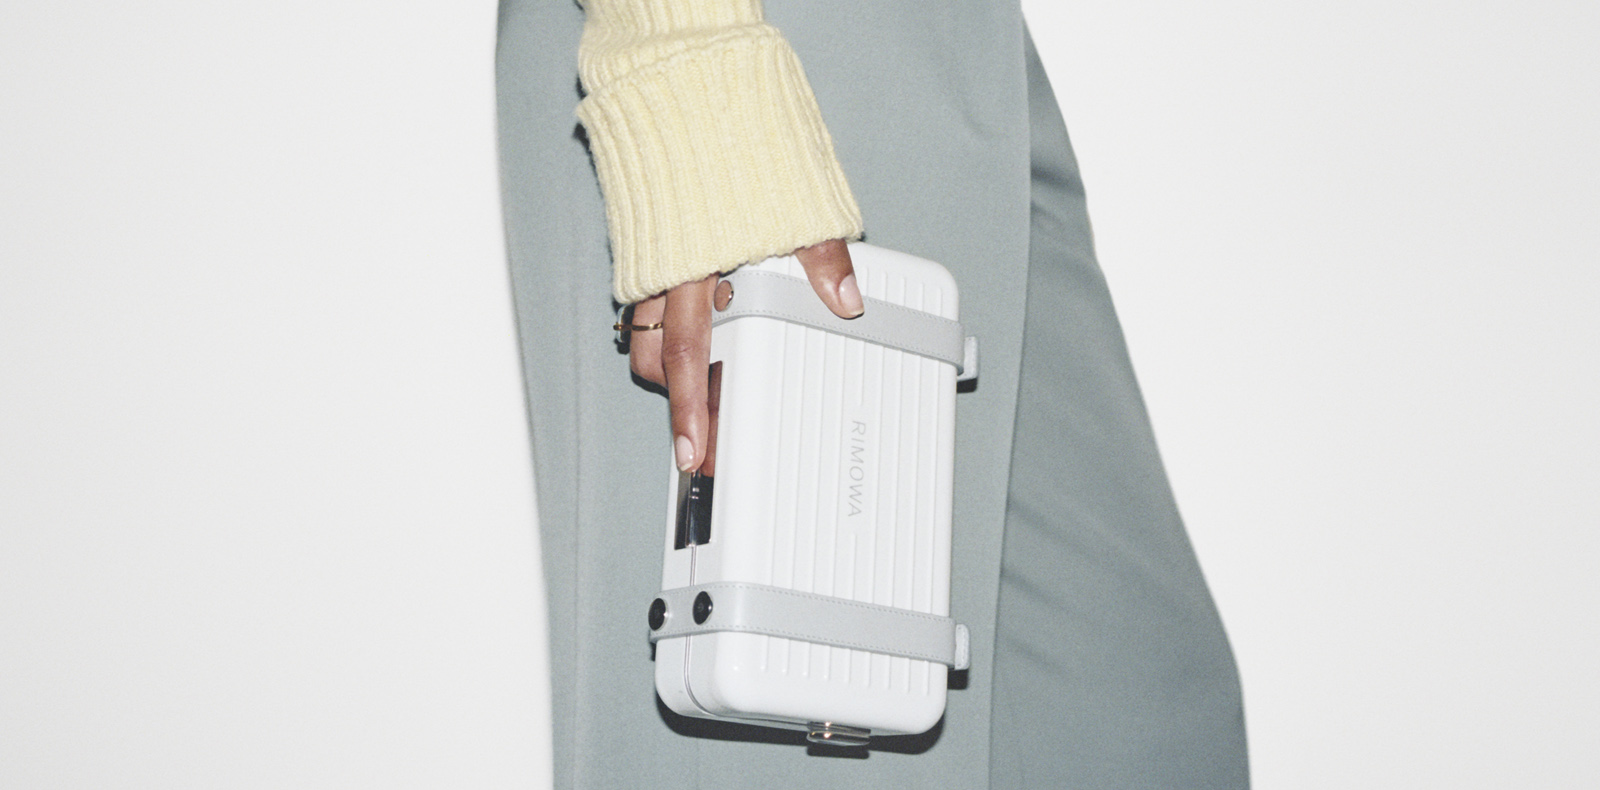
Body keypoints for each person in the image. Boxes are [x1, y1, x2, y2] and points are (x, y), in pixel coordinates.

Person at [496, 1, 1249, 787]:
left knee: (1141, 711)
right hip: (745, 46)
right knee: (772, 700)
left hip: (957, 39)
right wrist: (683, 51)